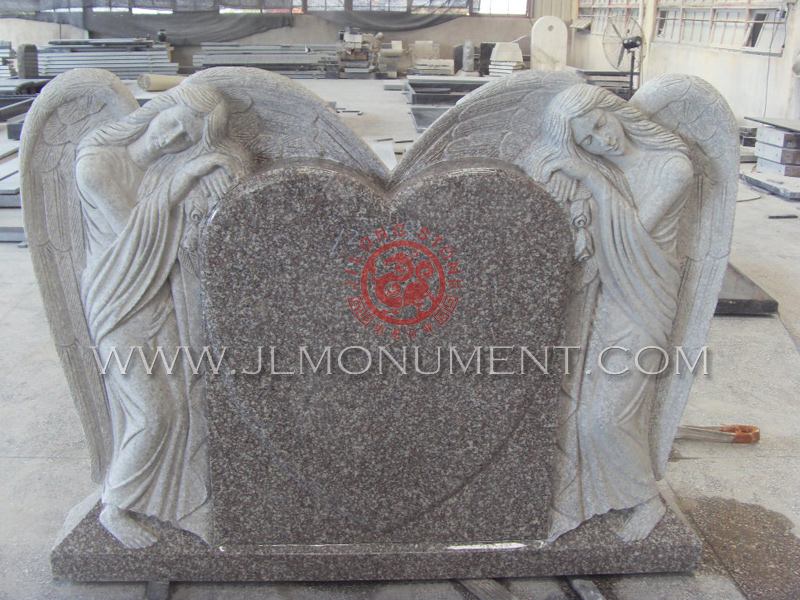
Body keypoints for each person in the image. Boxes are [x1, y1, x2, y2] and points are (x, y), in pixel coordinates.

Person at [75, 84, 250, 548]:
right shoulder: (97, 164)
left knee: (186, 402)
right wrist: (191, 172)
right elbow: (135, 236)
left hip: (161, 299)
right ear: (158, 109)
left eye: (187, 138)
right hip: (119, 302)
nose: (171, 138)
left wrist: (222, 163)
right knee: (153, 413)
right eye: (172, 122)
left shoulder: (168, 167)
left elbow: (230, 172)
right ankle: (116, 505)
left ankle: (180, 506)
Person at [536, 84, 693, 542]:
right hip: (603, 301)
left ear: (614, 111)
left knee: (609, 416)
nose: (602, 140)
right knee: (578, 411)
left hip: (643, 301)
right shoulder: (595, 167)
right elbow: (541, 164)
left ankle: (645, 500)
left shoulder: (671, 168)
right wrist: (566, 172)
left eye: (602, 124)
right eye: (586, 140)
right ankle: (587, 501)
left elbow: (634, 243)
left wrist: (589, 178)